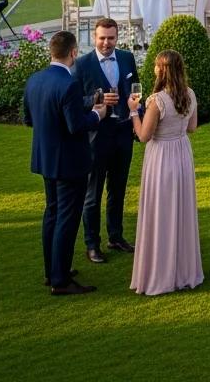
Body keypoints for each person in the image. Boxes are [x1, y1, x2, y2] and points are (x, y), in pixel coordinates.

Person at [24, 30, 108, 295]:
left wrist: (86, 103)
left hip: (45, 159)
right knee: (67, 219)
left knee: (52, 213)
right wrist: (97, 114)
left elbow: (30, 119)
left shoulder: (35, 80)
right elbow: (75, 126)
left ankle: (53, 271)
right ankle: (60, 281)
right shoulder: (69, 84)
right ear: (73, 52)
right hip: (70, 162)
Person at [126, 50, 203, 295]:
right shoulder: (189, 94)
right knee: (180, 209)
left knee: (161, 211)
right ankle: (182, 269)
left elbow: (143, 136)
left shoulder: (156, 100)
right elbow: (192, 128)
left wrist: (132, 111)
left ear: (162, 70)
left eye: (157, 67)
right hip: (181, 154)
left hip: (161, 157)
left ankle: (161, 271)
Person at [72, 18, 138, 264]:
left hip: (123, 132)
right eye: (102, 38)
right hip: (97, 136)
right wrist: (96, 100)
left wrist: (136, 118)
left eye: (111, 38)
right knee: (93, 191)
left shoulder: (127, 58)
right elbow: (75, 101)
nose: (106, 43)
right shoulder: (82, 65)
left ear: (117, 37)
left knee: (118, 188)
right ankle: (92, 244)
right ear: (94, 38)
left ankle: (116, 236)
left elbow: (135, 89)